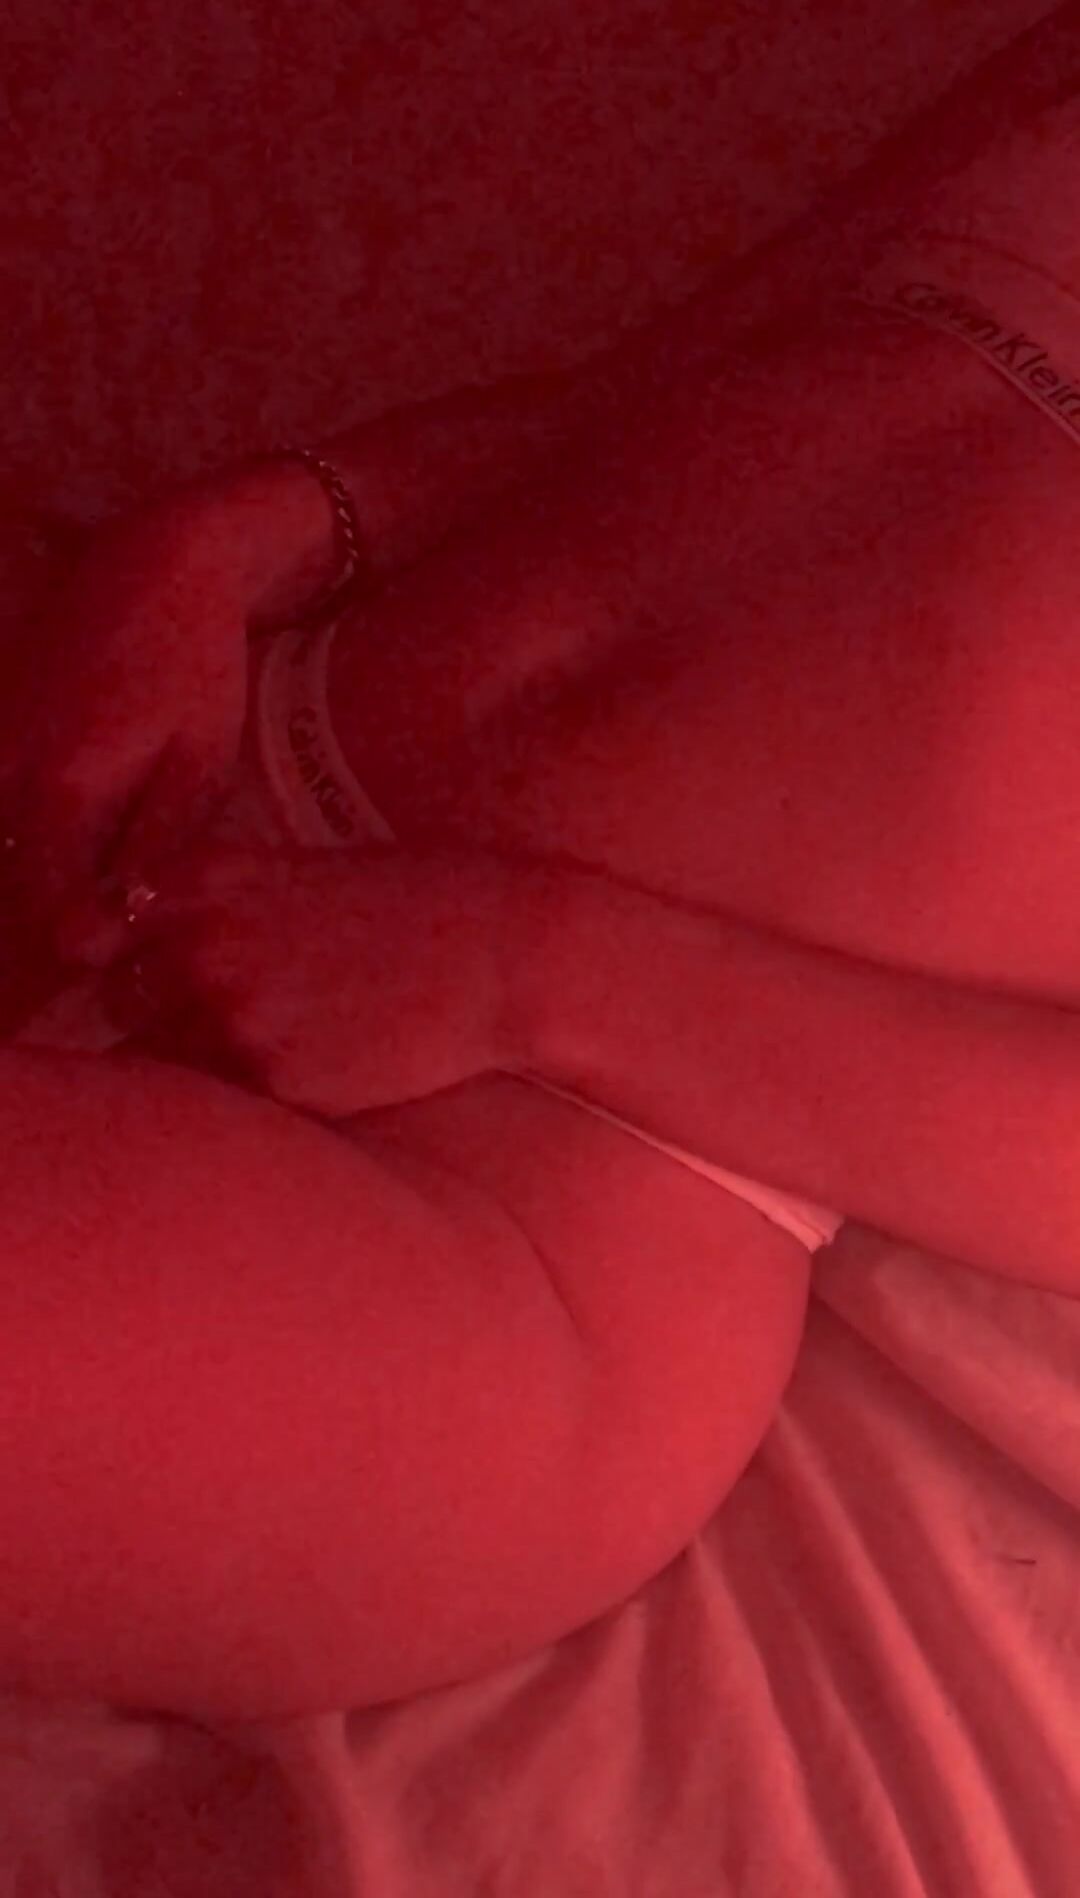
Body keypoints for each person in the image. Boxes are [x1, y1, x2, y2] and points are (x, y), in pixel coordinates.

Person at [3, 39, 1080, 1726]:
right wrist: (227, 543)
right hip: (230, 731)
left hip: (538, 1195)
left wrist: (528, 970)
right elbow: (694, 364)